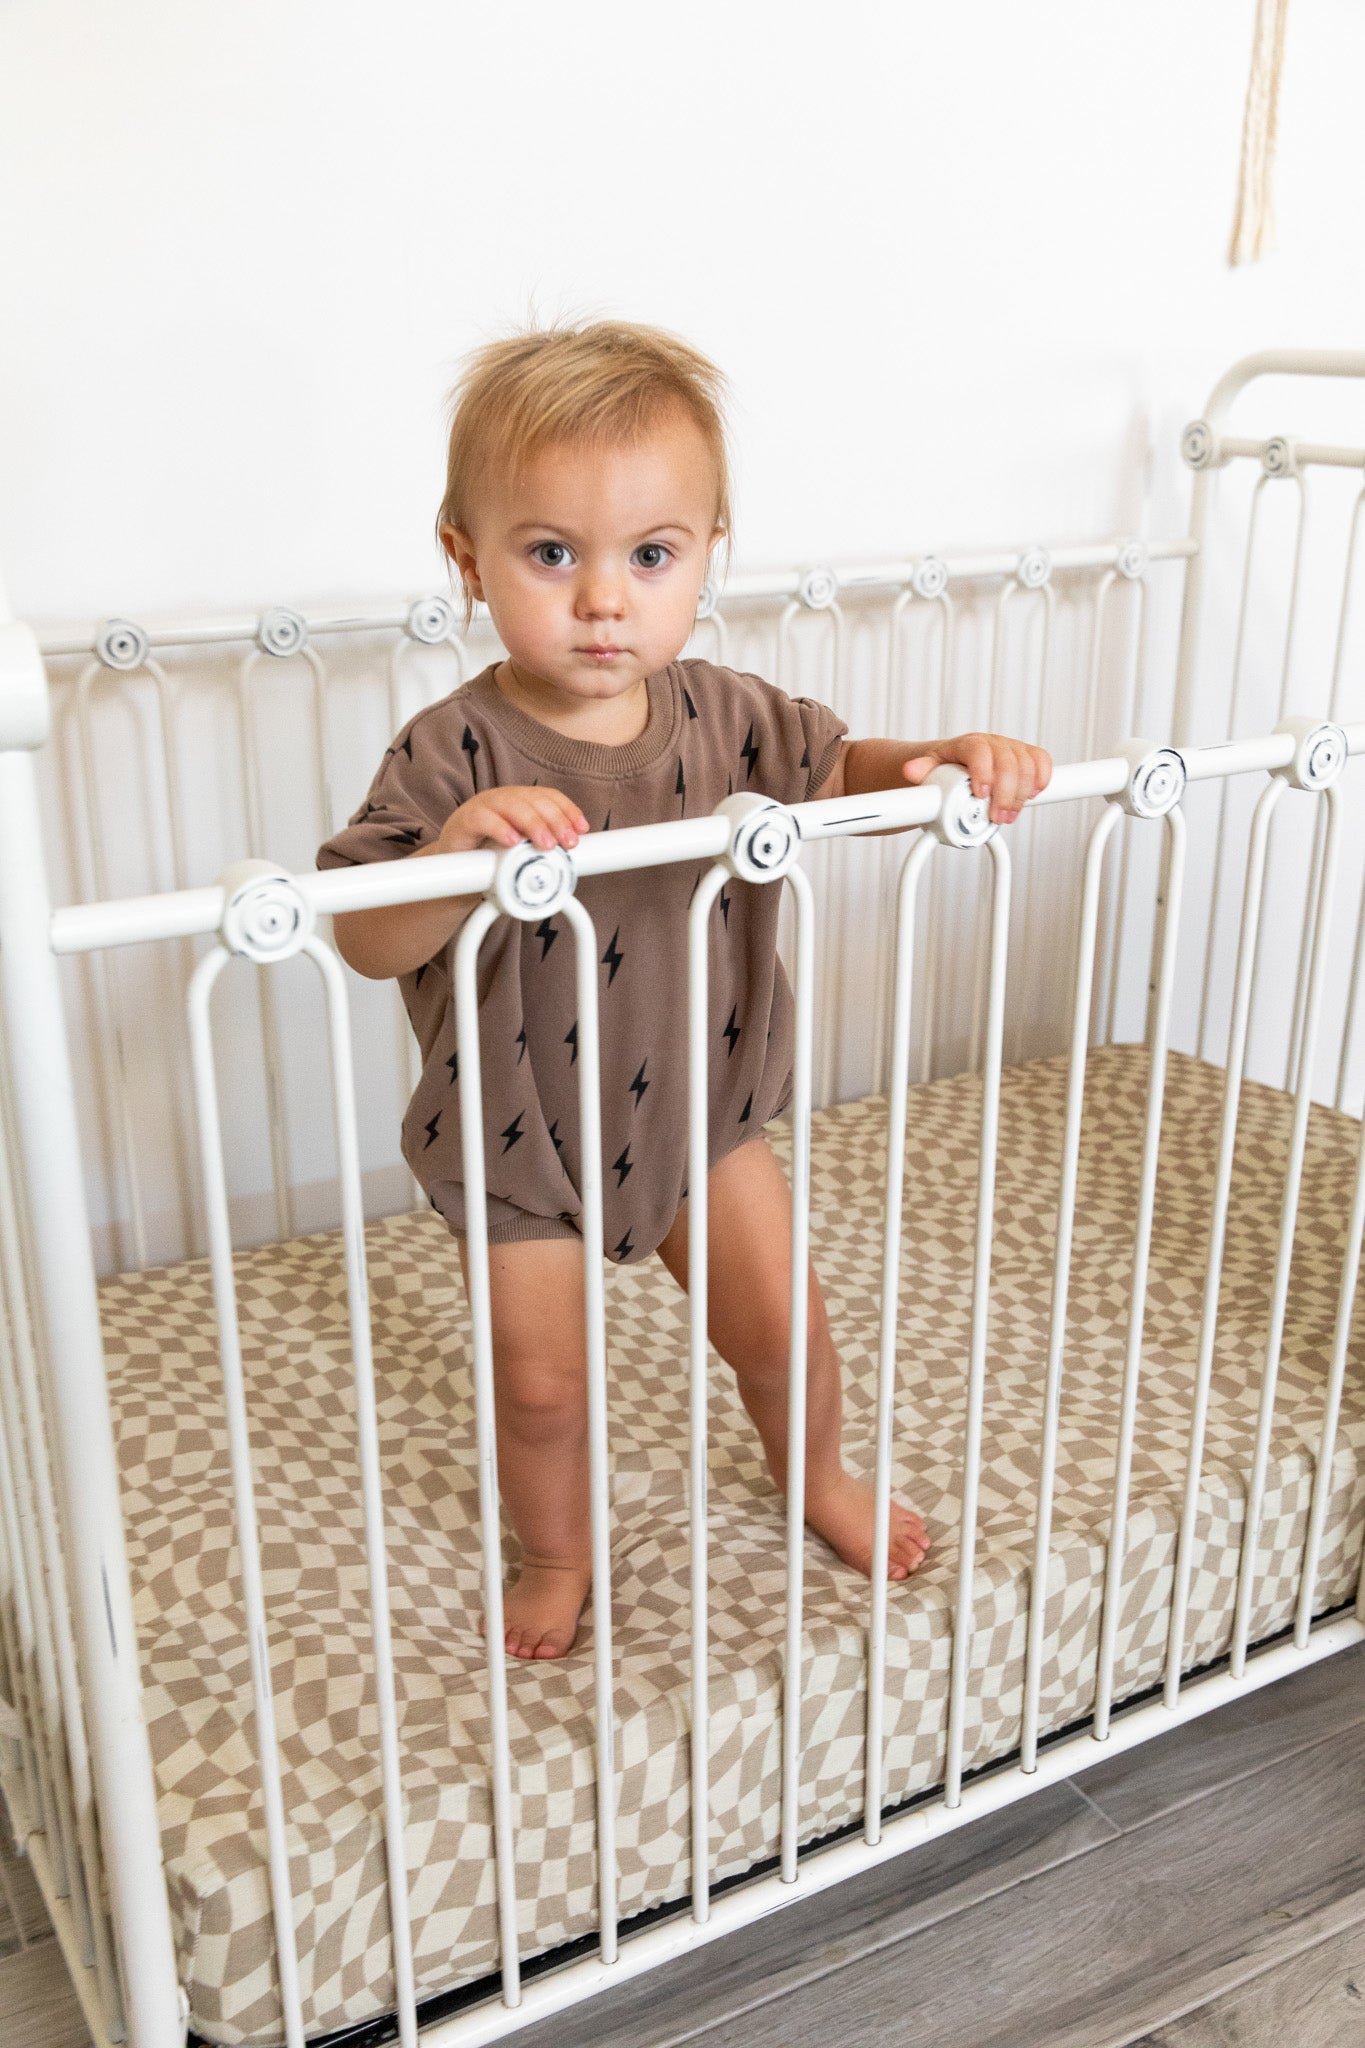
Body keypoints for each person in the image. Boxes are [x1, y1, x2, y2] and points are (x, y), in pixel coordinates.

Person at [317, 321, 1051, 1660]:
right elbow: (362, 937)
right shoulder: (452, 749)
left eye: (649, 556)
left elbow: (842, 780)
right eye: (552, 554)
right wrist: (453, 850)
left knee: (780, 1324)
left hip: (699, 1108)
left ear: (706, 552)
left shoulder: (728, 718)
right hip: (517, 1130)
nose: (603, 600)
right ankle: (557, 1554)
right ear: (464, 558)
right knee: (539, 1388)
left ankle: (813, 1470)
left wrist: (937, 762)